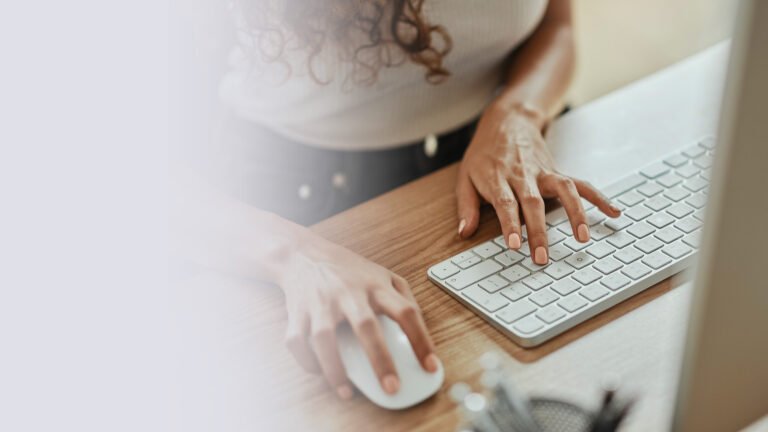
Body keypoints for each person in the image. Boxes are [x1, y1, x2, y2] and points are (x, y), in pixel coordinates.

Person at [180, 0, 621, 401]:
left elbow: (556, 24)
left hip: (508, 143)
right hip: (298, 201)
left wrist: (519, 111)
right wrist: (295, 255)